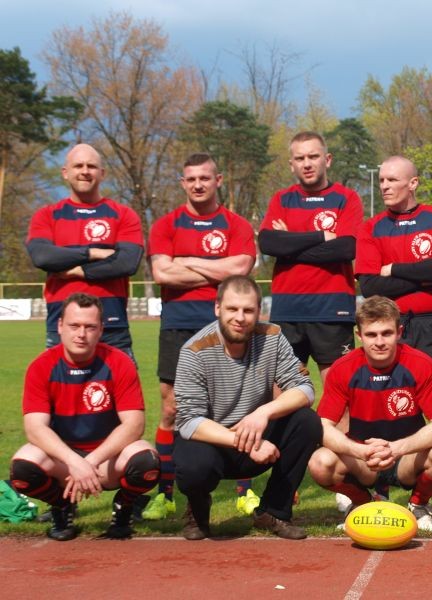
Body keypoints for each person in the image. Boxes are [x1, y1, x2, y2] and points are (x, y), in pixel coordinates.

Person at [143, 153, 258, 521]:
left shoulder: (237, 225)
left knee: (238, 405)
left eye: (204, 178)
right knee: (172, 409)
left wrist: (187, 261)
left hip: (227, 324)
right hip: (178, 324)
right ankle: (166, 493)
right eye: (190, 179)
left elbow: (241, 268)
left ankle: (244, 491)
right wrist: (217, 271)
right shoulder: (166, 224)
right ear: (182, 183)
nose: (197, 185)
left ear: (218, 180)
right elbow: (163, 274)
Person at [173, 275, 321, 540]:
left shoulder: (272, 337)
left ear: (259, 311)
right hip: (214, 442)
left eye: (248, 310)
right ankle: (198, 510)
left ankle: (273, 511)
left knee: (306, 422)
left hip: (257, 435)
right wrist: (246, 442)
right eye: (232, 309)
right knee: (194, 466)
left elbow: (305, 389)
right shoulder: (194, 351)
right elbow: (189, 421)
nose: (240, 318)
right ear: (217, 308)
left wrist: (263, 412)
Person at [8, 293, 159, 541]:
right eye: (74, 325)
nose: (81, 334)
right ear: (60, 326)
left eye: (90, 327)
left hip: (106, 459)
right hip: (64, 461)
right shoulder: (41, 366)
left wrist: (91, 462)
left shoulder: (119, 362)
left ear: (101, 330)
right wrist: (74, 462)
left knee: (147, 462)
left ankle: (124, 506)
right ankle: (61, 505)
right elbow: (35, 428)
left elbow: (134, 425)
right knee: (22, 468)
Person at [308, 296, 432, 531]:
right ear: (359, 335)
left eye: (386, 333)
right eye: (371, 335)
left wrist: (396, 448)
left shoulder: (421, 364)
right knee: (320, 462)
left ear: (399, 332)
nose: (379, 342)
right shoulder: (343, 369)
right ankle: (362, 503)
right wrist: (361, 451)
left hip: (407, 456)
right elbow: (322, 427)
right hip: (365, 459)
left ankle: (418, 505)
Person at [258, 131, 363, 385]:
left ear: (327, 159)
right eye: (300, 158)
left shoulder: (347, 198)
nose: (307, 163)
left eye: (313, 156)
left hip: (333, 310)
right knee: (283, 393)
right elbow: (268, 243)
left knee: (340, 392)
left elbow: (346, 249)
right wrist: (322, 236)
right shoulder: (281, 199)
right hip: (287, 311)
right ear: (291, 164)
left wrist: (289, 244)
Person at [26, 143, 144, 357]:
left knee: (121, 380)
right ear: (65, 172)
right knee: (58, 381)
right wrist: (93, 253)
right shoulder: (46, 216)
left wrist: (78, 270)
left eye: (91, 166)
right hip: (62, 326)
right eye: (78, 165)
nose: (85, 171)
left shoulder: (124, 215)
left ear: (102, 173)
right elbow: (42, 257)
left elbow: (127, 262)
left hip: (112, 326)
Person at [356, 156, 432, 368]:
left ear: (413, 183)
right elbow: (370, 287)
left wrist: (393, 269)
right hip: (389, 328)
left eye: (392, 180)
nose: (384, 186)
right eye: (382, 180)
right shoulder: (370, 227)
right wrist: (426, 279)